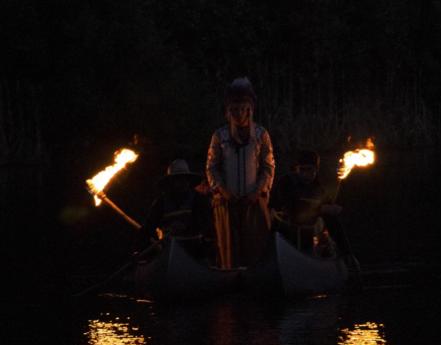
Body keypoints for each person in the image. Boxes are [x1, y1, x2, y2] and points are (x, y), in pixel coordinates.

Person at [206, 77, 275, 268]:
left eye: (242, 108)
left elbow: (268, 167)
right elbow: (212, 167)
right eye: (233, 109)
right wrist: (223, 190)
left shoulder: (261, 135)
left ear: (249, 110)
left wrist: (257, 192)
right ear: (228, 111)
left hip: (253, 200)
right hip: (227, 201)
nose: (238, 113)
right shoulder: (220, 136)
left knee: (257, 247)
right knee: (230, 249)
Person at [269, 149, 360, 273]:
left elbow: (332, 221)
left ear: (316, 170)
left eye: (310, 170)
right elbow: (292, 209)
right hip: (284, 239)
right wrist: (321, 209)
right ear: (296, 169)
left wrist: (347, 252)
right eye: (302, 169)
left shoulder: (319, 189)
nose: (306, 174)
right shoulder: (286, 183)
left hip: (306, 238)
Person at [137, 159, 214, 261]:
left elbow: (207, 228)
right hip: (168, 252)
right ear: (170, 182)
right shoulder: (160, 203)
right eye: (177, 179)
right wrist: (143, 249)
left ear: (188, 180)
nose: (181, 183)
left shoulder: (199, 200)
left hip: (194, 251)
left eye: (183, 179)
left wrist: (187, 227)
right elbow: (148, 229)